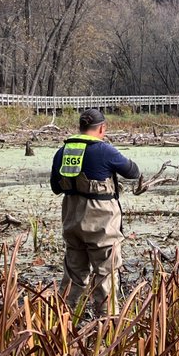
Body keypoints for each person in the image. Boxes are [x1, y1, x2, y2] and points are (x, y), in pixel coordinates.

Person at [50, 108, 140, 315]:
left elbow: (56, 188)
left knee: (73, 273)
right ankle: (106, 326)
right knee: (105, 273)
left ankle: (63, 321)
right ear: (102, 128)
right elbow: (133, 172)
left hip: (72, 220)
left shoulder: (62, 152)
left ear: (80, 128)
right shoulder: (104, 150)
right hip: (101, 223)